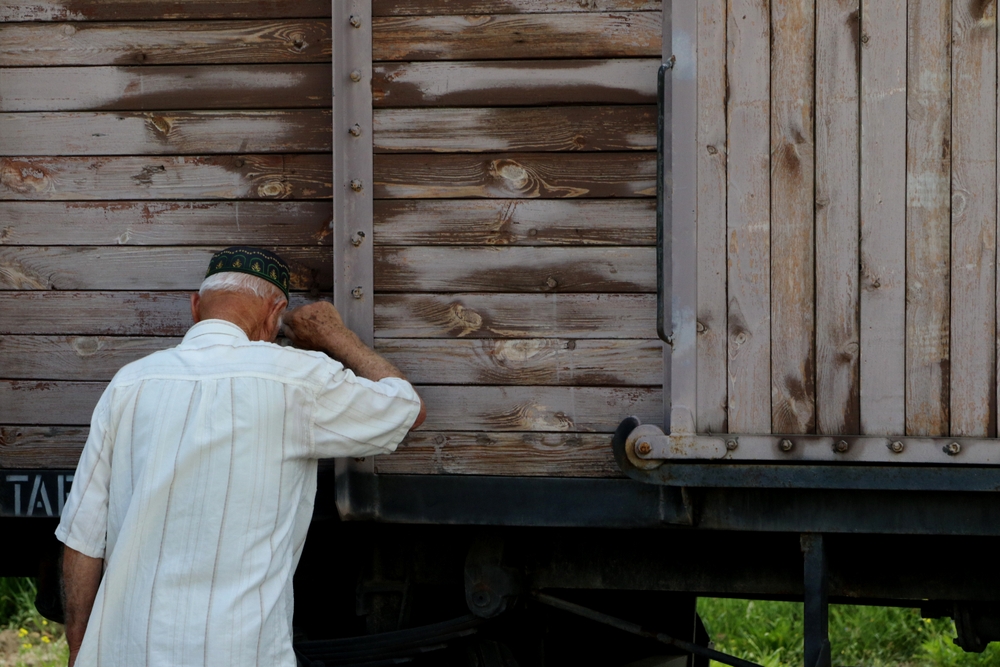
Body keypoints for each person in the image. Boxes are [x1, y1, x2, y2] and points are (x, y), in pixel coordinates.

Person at [55, 247, 425, 667]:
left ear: (195, 307)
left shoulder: (129, 384)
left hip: (126, 652)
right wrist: (334, 337)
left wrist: (78, 650)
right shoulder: (297, 379)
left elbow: (82, 540)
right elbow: (406, 408)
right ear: (275, 314)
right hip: (237, 652)